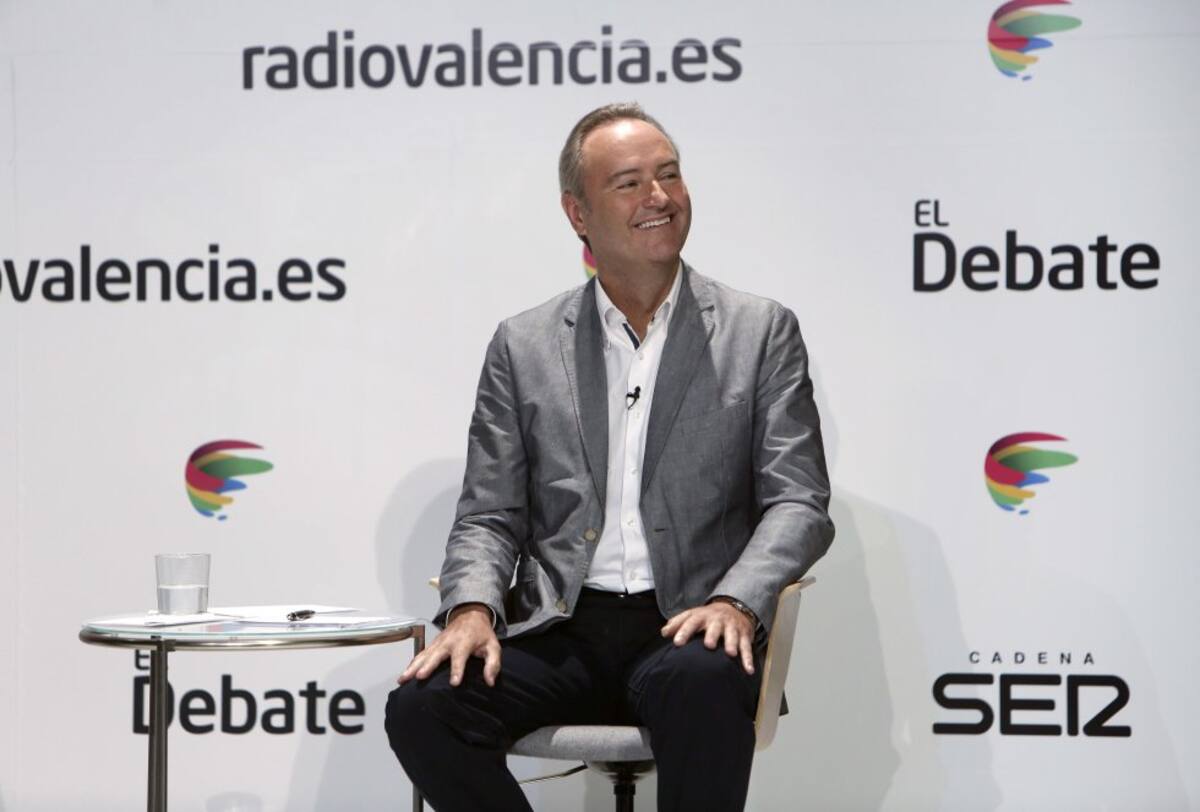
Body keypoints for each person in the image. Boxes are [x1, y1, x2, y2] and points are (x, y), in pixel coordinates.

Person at [385, 102, 834, 811]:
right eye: (629, 184)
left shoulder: (759, 332)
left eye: (669, 175)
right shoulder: (523, 345)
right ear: (578, 213)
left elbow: (798, 501)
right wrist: (470, 608)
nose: (659, 197)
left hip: (689, 623)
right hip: (560, 627)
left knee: (703, 682)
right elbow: (489, 514)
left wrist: (736, 601)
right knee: (424, 707)